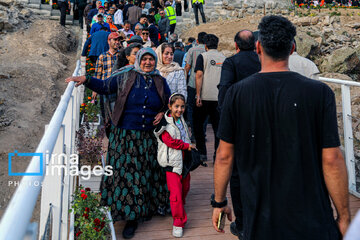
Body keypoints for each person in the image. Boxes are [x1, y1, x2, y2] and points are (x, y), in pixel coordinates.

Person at [213, 15, 350, 240]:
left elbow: (224, 156)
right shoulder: (319, 92)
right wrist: (344, 215)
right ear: (292, 48)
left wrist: (219, 202)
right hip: (312, 217)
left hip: (259, 218)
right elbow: (332, 159)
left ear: (258, 47)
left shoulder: (236, 94)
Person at [66, 48, 171, 239]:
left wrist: (163, 112)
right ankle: (118, 211)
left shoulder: (160, 81)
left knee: (141, 174)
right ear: (138, 60)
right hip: (123, 135)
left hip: (147, 137)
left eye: (151, 59)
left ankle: (133, 218)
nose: (148, 62)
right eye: (144, 59)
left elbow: (169, 102)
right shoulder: (125, 76)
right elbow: (106, 86)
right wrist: (86, 79)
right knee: (123, 174)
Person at [217, 30, 260, 240]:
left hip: (240, 125)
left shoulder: (231, 63)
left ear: (235, 45)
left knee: (237, 175)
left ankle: (242, 224)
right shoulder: (263, 61)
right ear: (255, 45)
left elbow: (224, 89)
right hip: (263, 123)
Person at [154, 93, 195, 238]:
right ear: (170, 106)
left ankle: (179, 207)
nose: (179, 109)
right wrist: (187, 146)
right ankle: (178, 222)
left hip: (183, 160)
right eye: (176, 106)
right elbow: (170, 142)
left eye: (182, 106)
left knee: (185, 187)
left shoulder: (181, 119)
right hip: (172, 162)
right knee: (176, 194)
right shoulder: (164, 123)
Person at [193, 34, 225, 161]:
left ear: (205, 45)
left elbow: (199, 75)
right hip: (219, 98)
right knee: (218, 128)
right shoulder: (224, 58)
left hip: (204, 97)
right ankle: (217, 154)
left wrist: (198, 95)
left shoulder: (203, 56)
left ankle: (202, 153)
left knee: (198, 125)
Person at [184, 32, 207, 140]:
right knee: (204, 110)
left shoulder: (192, 50)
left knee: (191, 108)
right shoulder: (208, 51)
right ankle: (203, 132)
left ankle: (193, 133)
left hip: (193, 83)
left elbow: (187, 67)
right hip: (205, 84)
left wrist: (184, 80)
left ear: (197, 41)